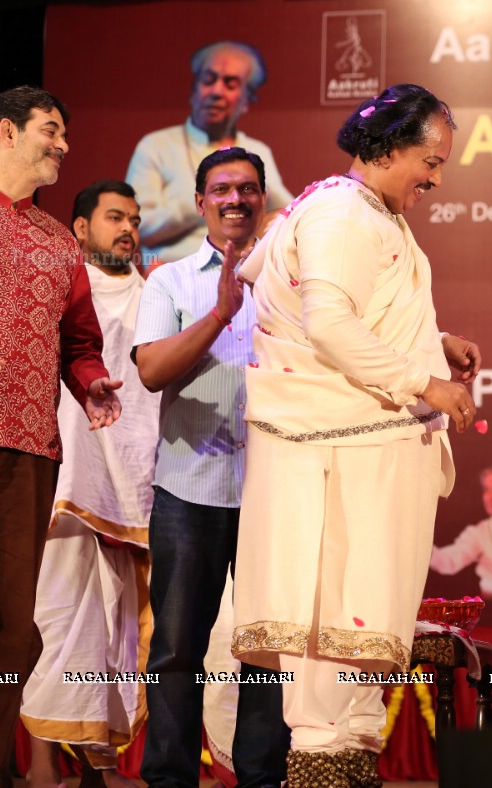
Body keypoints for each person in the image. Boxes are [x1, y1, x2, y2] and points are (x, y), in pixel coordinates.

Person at [230, 83, 481, 787]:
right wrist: (425, 382)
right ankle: (324, 766)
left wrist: (434, 342)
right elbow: (330, 325)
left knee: (354, 627)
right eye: (429, 159)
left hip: (360, 445)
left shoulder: (364, 210)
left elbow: (350, 314)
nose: (435, 176)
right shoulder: (343, 213)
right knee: (336, 617)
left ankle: (344, 761)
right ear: (389, 147)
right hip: (342, 449)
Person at [132, 147, 289, 788]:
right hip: (186, 491)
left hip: (272, 493)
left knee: (266, 652)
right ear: (200, 203)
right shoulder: (170, 281)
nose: (235, 200)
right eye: (221, 189)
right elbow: (150, 371)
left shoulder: (286, 283)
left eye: (248, 189)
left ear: (261, 200)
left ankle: (261, 777)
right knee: (175, 650)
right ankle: (169, 778)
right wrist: (220, 314)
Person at [0, 85, 122, 788]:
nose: (64, 145)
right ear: (8, 132)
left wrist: (92, 380)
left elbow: (79, 340)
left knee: (13, 627)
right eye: (52, 130)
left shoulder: (55, 241)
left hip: (24, 449)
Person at [21, 181, 156, 788]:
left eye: (133, 219)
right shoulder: (59, 293)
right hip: (68, 477)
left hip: (131, 481)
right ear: (78, 229)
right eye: (113, 218)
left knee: (115, 624)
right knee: (60, 618)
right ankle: (45, 759)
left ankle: (97, 758)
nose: (127, 228)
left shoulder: (154, 296)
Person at [126, 40, 292, 264]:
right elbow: (136, 226)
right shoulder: (156, 145)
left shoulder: (256, 150)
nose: (216, 91)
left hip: (243, 273)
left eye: (230, 84)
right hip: (173, 272)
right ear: (193, 89)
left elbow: (288, 213)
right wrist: (200, 202)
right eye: (208, 80)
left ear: (247, 100)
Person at [429, 466, 492, 599]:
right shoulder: (479, 533)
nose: (489, 497)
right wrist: (418, 541)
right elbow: (448, 561)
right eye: (486, 490)